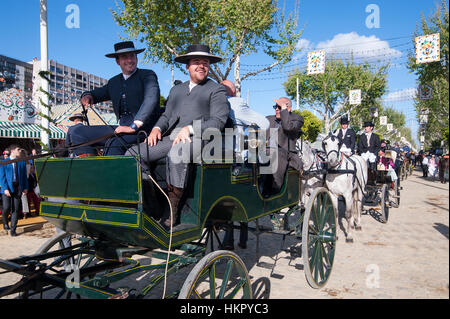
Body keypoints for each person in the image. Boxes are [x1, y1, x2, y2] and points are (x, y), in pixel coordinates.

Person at [126, 44, 229, 228]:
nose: (201, 66)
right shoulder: (177, 90)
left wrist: (190, 129)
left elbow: (218, 122)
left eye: (205, 62)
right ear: (187, 66)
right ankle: (152, 204)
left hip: (201, 139)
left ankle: (172, 210)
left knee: (177, 153)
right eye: (196, 62)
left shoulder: (216, 89)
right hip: (171, 137)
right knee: (133, 153)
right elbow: (166, 116)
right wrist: (157, 128)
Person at [73, 41, 161, 156]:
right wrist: (87, 96)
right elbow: (95, 94)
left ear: (137, 58)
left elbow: (151, 99)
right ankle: (92, 170)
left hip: (143, 130)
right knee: (76, 132)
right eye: (124, 57)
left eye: (132, 56)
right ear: (117, 61)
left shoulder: (148, 75)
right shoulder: (113, 82)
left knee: (114, 144)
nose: (129, 60)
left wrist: (134, 126)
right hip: (119, 129)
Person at [263, 97, 304, 196]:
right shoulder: (268, 119)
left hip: (286, 153)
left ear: (288, 108)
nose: (276, 109)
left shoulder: (297, 119)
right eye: (275, 107)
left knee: (275, 154)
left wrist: (284, 111)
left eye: (279, 107)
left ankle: (274, 189)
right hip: (265, 151)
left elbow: (288, 127)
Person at [0, 145, 29, 236]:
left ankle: (13, 229)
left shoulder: (21, 162)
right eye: (18, 149)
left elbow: (24, 176)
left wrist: (25, 187)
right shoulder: (4, 162)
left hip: (18, 188)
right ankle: (5, 222)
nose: (20, 151)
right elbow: (2, 177)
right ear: (12, 151)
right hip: (7, 188)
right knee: (6, 207)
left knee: (15, 209)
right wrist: (5, 189)